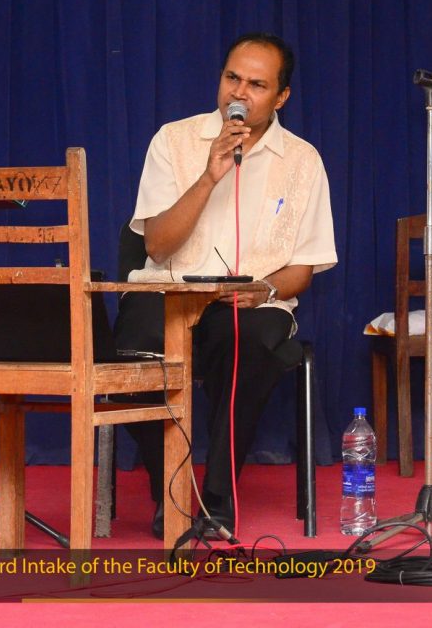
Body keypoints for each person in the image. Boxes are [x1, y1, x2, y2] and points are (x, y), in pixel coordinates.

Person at [114, 32, 337, 538]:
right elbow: (157, 247)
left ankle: (217, 501)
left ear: (281, 97)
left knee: (250, 341)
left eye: (257, 85)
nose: (239, 92)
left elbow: (303, 268)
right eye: (232, 77)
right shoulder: (174, 140)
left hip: (249, 302)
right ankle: (170, 491)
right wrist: (208, 176)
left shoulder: (303, 161)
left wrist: (267, 289)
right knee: (133, 347)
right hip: (168, 291)